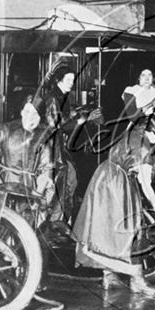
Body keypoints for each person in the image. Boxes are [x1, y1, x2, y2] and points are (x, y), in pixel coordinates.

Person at [73, 114, 155, 294]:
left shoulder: (134, 132)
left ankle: (108, 276)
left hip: (103, 177)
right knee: (131, 231)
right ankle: (138, 280)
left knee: (106, 229)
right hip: (118, 185)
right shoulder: (144, 150)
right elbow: (146, 185)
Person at [0, 95, 54, 290]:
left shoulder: (44, 136)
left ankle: (35, 281)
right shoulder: (4, 130)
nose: (30, 117)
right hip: (4, 188)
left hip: (30, 190)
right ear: (21, 111)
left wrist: (37, 196)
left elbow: (46, 169)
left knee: (36, 232)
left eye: (35, 113)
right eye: (27, 111)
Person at [43, 66, 102, 238]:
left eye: (72, 79)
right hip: (51, 147)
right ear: (58, 80)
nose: (72, 83)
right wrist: (84, 119)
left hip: (59, 145)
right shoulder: (53, 98)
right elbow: (57, 125)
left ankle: (60, 220)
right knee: (66, 181)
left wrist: (78, 111)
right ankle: (56, 222)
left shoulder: (61, 96)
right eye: (68, 80)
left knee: (70, 180)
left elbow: (65, 116)